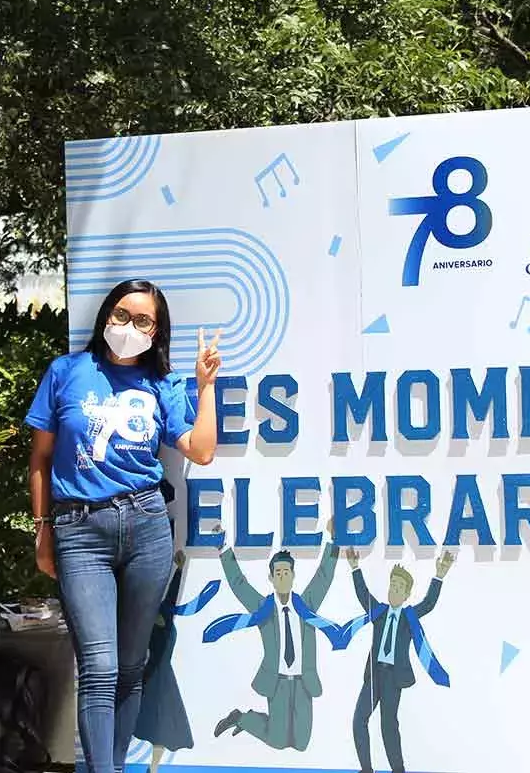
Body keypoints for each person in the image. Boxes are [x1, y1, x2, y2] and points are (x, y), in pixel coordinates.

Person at [27, 279, 219, 773]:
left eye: (143, 321)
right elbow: (42, 458)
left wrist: (205, 385)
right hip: (79, 528)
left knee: (132, 668)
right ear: (105, 316)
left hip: (147, 527)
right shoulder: (66, 372)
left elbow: (200, 450)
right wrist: (43, 527)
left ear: (157, 333)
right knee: (100, 668)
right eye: (121, 315)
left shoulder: (162, 383)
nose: (129, 327)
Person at [203, 519, 340, 752]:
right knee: (277, 742)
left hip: (304, 682)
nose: (283, 576)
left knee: (301, 745)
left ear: (293, 575)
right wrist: (222, 548)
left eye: (287, 572)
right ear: (272, 578)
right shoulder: (263, 610)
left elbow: (324, 576)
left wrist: (333, 540)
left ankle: (248, 721)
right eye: (278, 573)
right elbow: (239, 584)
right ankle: (241, 718)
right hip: (277, 683)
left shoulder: (307, 604)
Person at [345, 549, 455, 773]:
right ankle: (366, 769)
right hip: (374, 675)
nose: (393, 590)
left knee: (388, 726)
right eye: (391, 585)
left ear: (406, 595)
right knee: (359, 720)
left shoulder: (409, 617)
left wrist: (439, 576)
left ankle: (398, 770)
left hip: (394, 678)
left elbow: (429, 603)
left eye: (398, 588)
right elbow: (362, 593)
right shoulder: (379, 613)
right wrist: (355, 567)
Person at [135, 549, 195, 771]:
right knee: (149, 724)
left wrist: (179, 569)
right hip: (151, 674)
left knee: (162, 727)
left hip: (163, 676)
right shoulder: (143, 616)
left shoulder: (165, 610)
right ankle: (147, 765)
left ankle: (154, 767)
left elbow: (172, 592)